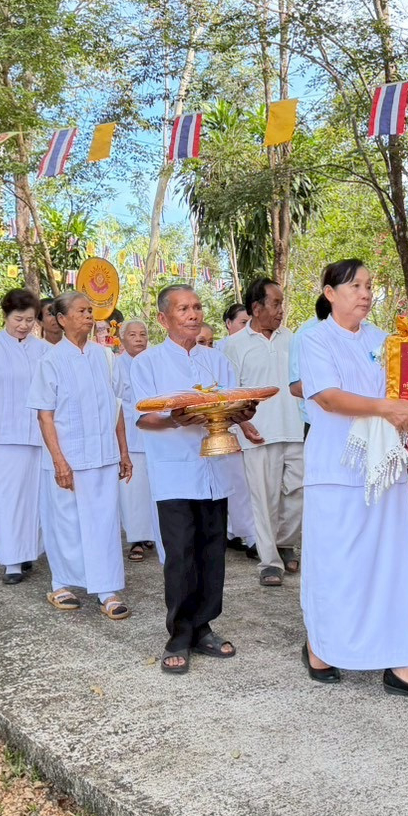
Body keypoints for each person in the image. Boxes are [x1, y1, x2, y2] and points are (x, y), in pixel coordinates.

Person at [299, 260, 408, 702]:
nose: (365, 293)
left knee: (389, 568)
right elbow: (328, 398)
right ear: (329, 292)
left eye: (369, 286)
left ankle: (401, 662)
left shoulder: (388, 341)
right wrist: (384, 408)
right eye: (355, 286)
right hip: (335, 468)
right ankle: (321, 645)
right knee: (335, 564)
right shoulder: (315, 339)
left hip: (384, 469)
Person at [131, 285, 256, 674]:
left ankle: (204, 627)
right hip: (174, 471)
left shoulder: (216, 360)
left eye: (197, 307)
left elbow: (231, 405)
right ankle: (179, 632)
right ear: (163, 318)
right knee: (181, 553)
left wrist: (241, 412)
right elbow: (143, 417)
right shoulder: (146, 363)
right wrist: (174, 418)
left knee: (212, 550)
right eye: (183, 308)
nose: (193, 314)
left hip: (214, 468)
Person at [29, 292, 132, 619]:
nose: (89, 316)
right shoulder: (50, 360)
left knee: (103, 523)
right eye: (81, 311)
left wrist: (123, 452)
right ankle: (61, 583)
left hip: (103, 456)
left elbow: (116, 407)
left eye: (91, 311)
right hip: (68, 458)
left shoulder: (106, 357)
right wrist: (59, 461)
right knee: (66, 523)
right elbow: (44, 415)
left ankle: (106, 589)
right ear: (61, 319)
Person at [221, 278, 304, 587]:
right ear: (256, 308)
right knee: (264, 500)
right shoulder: (234, 345)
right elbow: (229, 393)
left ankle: (284, 542)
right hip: (257, 433)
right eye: (276, 303)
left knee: (299, 492)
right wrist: (243, 424)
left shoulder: (292, 339)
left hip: (294, 429)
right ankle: (269, 562)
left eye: (282, 303)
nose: (281, 310)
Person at [0, 289, 50, 584]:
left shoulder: (43, 349)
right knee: (5, 499)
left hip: (37, 436)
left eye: (30, 320)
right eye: (19, 319)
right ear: (6, 315)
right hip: (0, 436)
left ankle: (28, 551)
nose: (24, 325)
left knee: (34, 498)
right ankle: (11, 560)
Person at [196, 320, 258, 556]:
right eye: (202, 342)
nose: (208, 346)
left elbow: (233, 397)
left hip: (225, 435)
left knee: (237, 487)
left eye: (211, 342)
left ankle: (250, 536)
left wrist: (243, 423)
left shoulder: (221, 363)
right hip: (193, 439)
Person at [113, 319, 159, 561]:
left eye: (143, 334)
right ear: (123, 339)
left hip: (157, 432)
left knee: (154, 487)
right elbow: (116, 402)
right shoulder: (116, 365)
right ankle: (137, 539)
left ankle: (154, 534)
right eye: (133, 335)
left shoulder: (155, 362)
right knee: (133, 490)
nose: (139, 339)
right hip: (129, 434)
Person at [287, 295, 331, 435]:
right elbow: (296, 387)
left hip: (359, 425)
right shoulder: (305, 335)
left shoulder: (368, 332)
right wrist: (336, 399)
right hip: (317, 425)